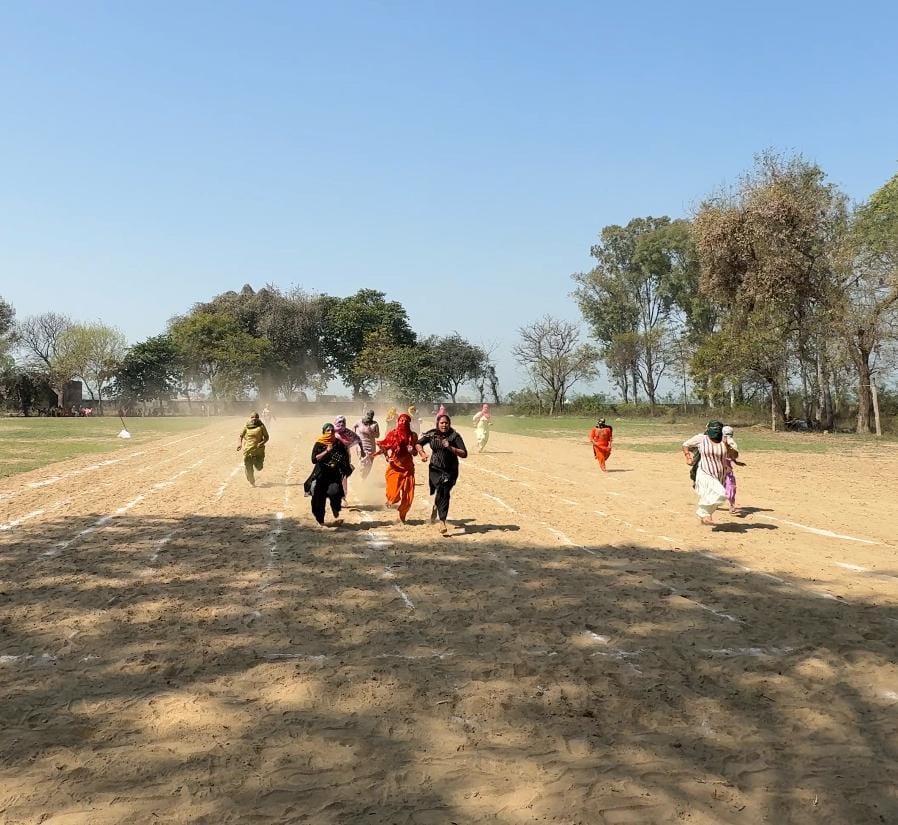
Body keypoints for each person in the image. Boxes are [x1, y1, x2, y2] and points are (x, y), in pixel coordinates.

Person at [417, 414, 468, 535]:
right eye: (442, 423)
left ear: (449, 424)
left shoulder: (455, 436)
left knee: (444, 491)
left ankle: (442, 521)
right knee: (441, 489)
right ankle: (437, 505)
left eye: (446, 423)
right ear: (437, 424)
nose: (444, 425)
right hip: (435, 468)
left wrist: (451, 447)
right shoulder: (432, 434)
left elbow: (464, 453)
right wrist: (422, 453)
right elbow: (418, 443)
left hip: (451, 469)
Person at [682, 420, 738, 524]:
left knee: (712, 495)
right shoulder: (701, 438)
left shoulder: (726, 439)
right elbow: (685, 445)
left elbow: (734, 455)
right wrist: (688, 457)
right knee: (720, 494)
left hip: (720, 474)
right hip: (704, 472)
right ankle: (703, 512)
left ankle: (706, 517)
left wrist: (727, 446)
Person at [372, 412, 420, 524]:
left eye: (406, 421)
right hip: (395, 467)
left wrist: (411, 450)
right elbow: (384, 446)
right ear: (398, 422)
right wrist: (387, 458)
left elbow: (415, 453)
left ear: (409, 423)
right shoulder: (392, 434)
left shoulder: (413, 436)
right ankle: (393, 500)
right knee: (392, 495)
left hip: (408, 468)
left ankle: (402, 516)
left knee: (409, 495)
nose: (404, 422)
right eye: (401, 420)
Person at [306, 423, 352, 527]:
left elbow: (344, 456)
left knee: (335, 492)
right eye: (328, 430)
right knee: (318, 498)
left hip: (334, 474)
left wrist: (345, 467)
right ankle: (320, 521)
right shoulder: (319, 443)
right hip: (320, 474)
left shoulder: (339, 443)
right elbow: (314, 459)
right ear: (323, 432)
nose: (330, 432)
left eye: (332, 430)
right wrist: (326, 451)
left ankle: (335, 508)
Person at [237, 411, 270, 486]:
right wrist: (239, 444)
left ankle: (254, 464)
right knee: (249, 467)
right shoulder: (246, 425)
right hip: (248, 450)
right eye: (252, 418)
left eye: (256, 418)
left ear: (258, 418)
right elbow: (240, 436)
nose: (254, 419)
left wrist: (261, 443)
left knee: (259, 467)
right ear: (250, 418)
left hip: (259, 451)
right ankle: (252, 481)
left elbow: (267, 437)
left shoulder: (261, 426)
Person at [353, 410, 381, 479]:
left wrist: (371, 432)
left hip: (371, 447)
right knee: (363, 463)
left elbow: (377, 435)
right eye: (369, 415)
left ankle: (364, 478)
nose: (369, 417)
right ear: (366, 414)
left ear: (373, 416)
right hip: (361, 446)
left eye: (371, 415)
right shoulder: (359, 422)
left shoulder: (375, 424)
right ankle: (359, 479)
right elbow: (353, 427)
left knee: (369, 464)